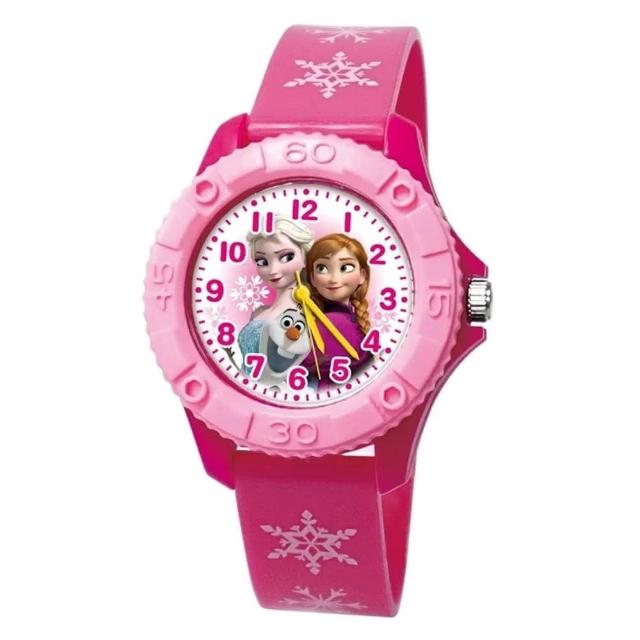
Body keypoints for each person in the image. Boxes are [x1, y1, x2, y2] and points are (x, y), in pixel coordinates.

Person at [237, 214, 314, 377]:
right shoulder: (258, 312)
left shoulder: (307, 313)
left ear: (305, 257)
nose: (272, 270)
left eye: (286, 257)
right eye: (262, 262)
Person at [300, 233, 374, 391]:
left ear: (362, 275)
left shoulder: (339, 319)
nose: (333, 279)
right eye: (322, 268)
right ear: (312, 278)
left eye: (345, 268)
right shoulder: (332, 321)